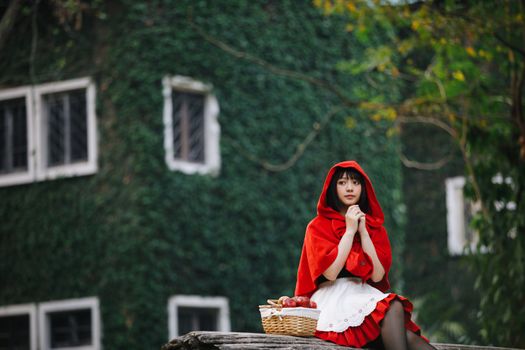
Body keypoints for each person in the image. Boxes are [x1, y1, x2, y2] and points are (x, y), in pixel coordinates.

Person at [295, 160, 436, 350]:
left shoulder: (374, 228)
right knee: (396, 315)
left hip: (362, 294)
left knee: (406, 334)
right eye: (342, 183)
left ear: (364, 188)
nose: (350, 188)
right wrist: (349, 231)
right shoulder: (317, 226)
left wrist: (363, 232)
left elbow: (377, 276)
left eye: (355, 182)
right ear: (332, 188)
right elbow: (330, 273)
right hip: (333, 298)